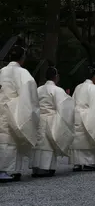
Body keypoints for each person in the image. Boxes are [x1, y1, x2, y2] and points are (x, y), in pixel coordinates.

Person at [0, 45, 39, 182]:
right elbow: (29, 97)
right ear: (22, 58)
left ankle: (9, 170)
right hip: (13, 110)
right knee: (11, 140)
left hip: (1, 109)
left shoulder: (1, 72)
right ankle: (8, 171)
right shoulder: (23, 74)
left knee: (3, 138)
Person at [30, 66, 74, 178]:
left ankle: (36, 167)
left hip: (39, 118)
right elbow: (64, 107)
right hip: (51, 119)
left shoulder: (38, 89)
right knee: (48, 144)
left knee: (39, 142)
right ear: (56, 77)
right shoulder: (57, 90)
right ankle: (46, 167)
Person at [69, 67, 95, 171]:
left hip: (77, 115)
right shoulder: (94, 89)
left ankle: (77, 163)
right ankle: (90, 162)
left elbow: (72, 101)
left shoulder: (78, 87)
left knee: (78, 139)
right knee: (89, 138)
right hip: (88, 115)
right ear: (94, 76)